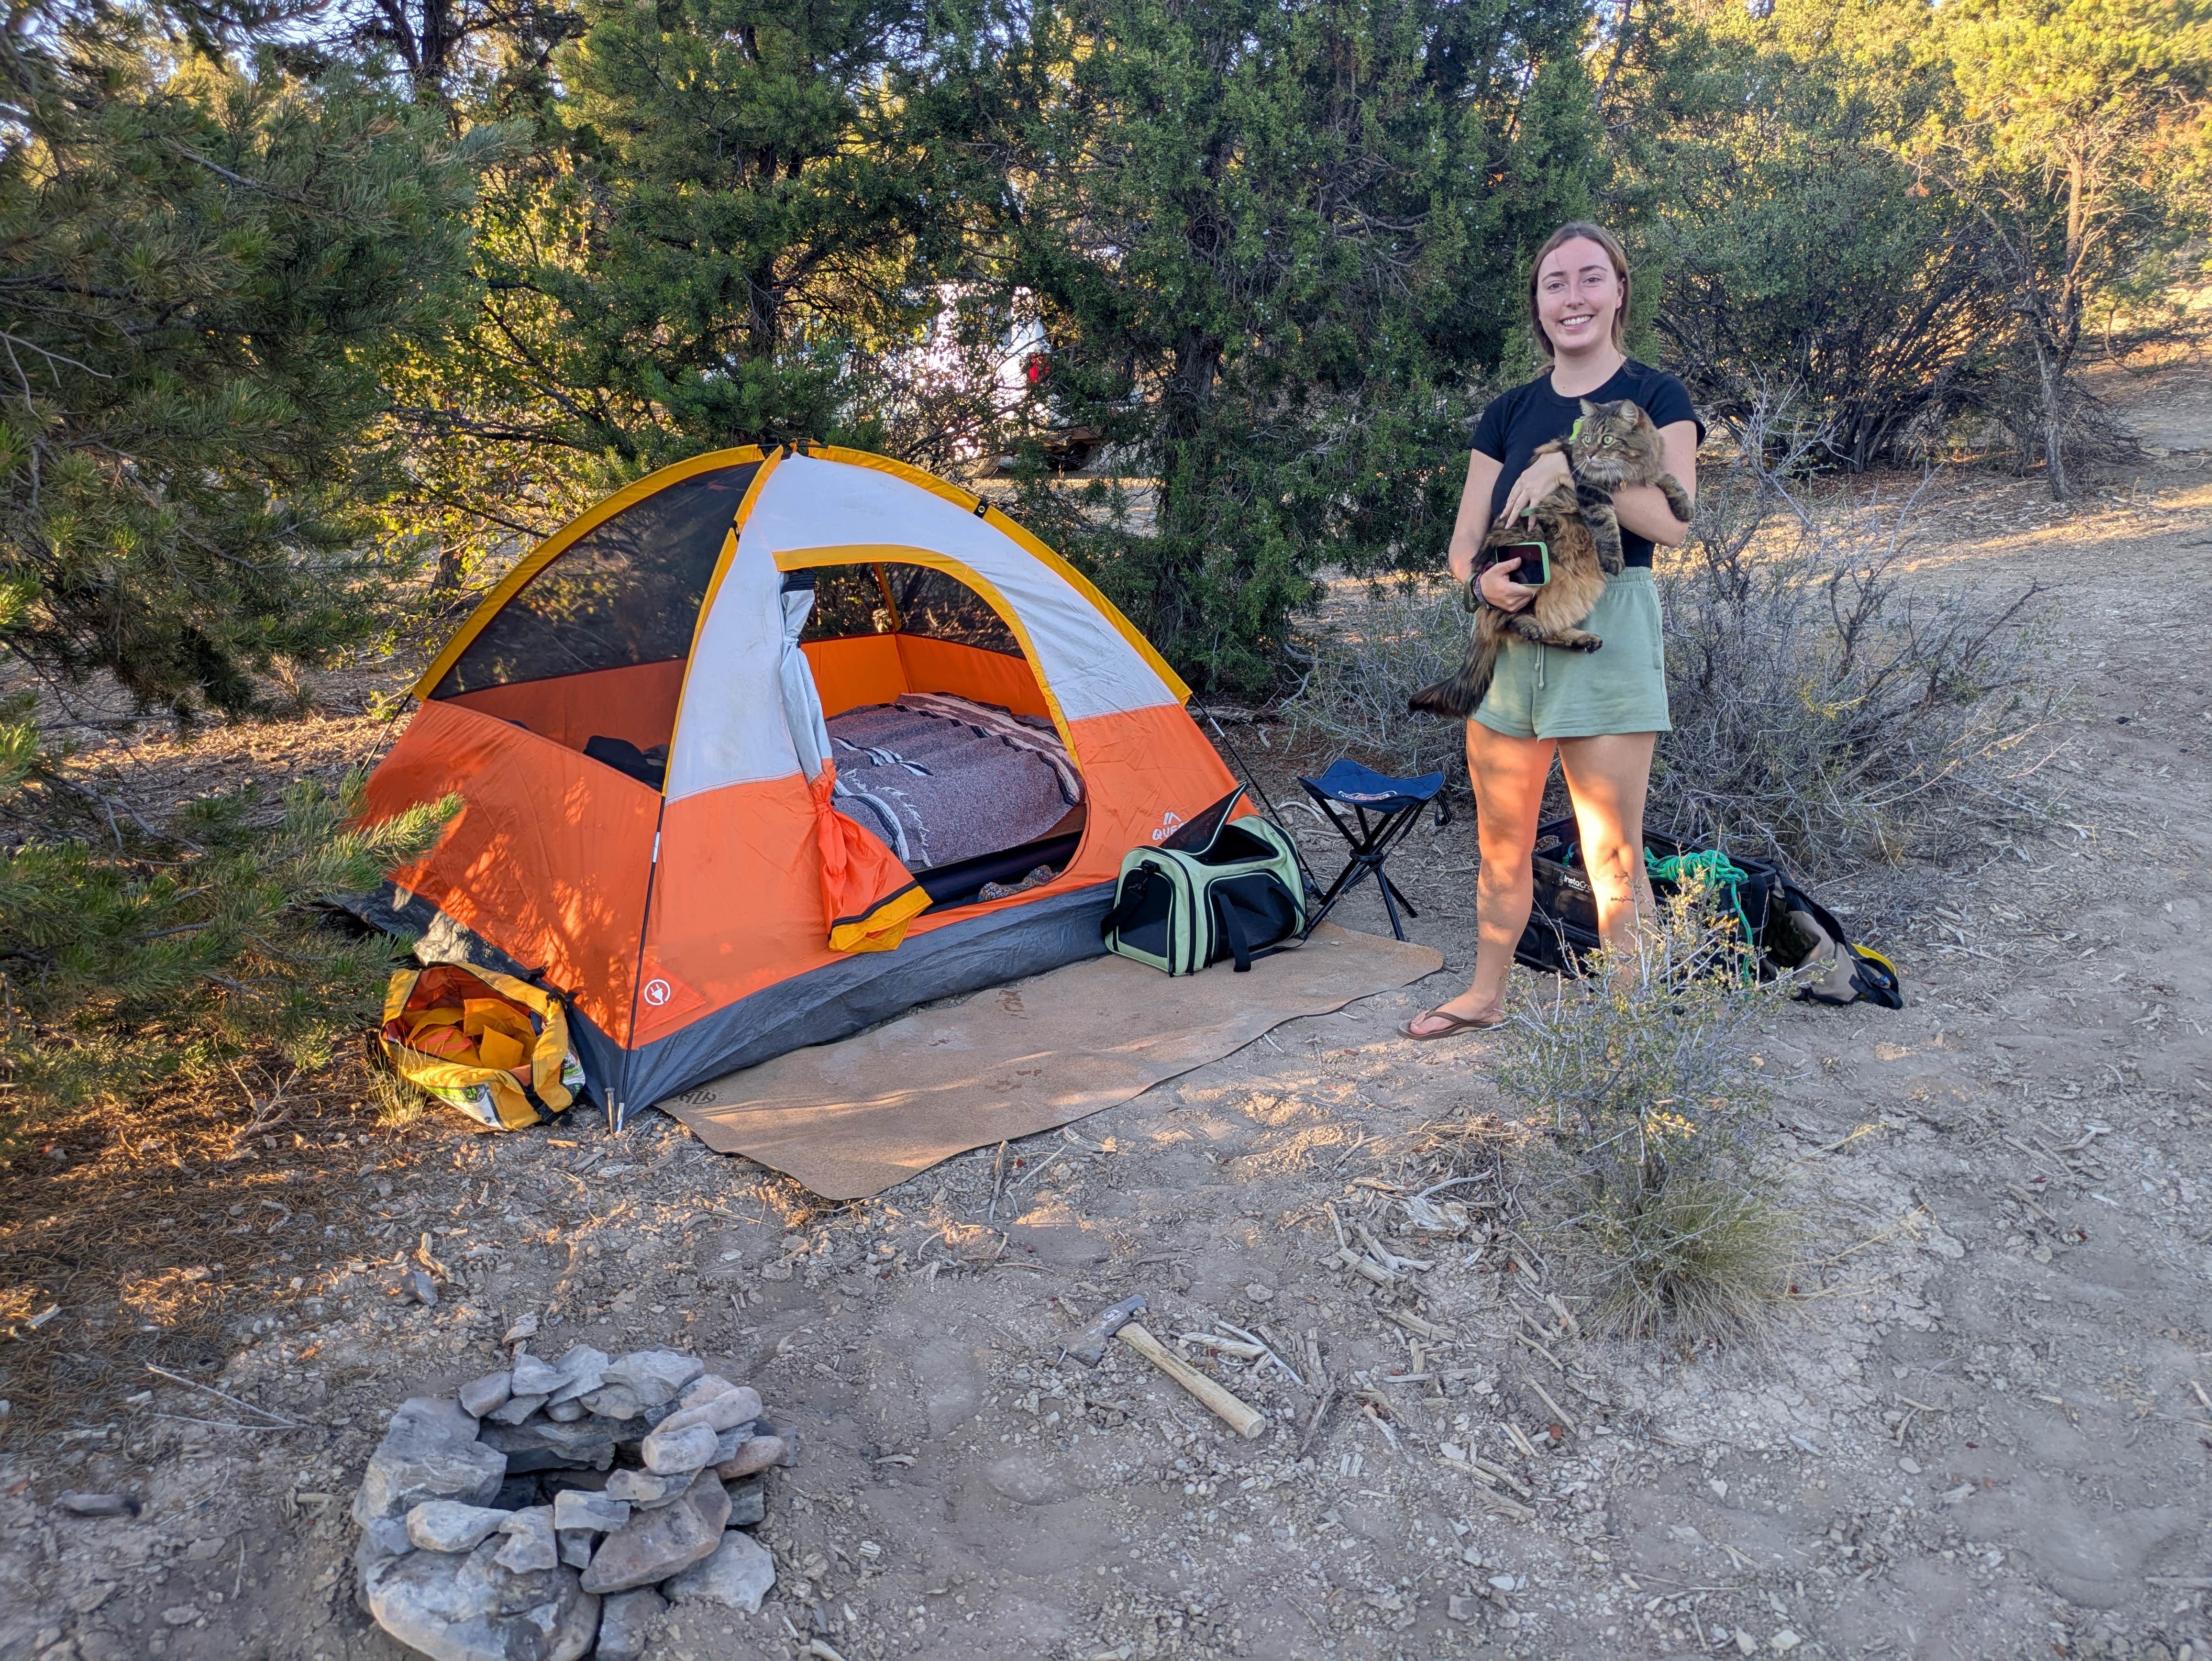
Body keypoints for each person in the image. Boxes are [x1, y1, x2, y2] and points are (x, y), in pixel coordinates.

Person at [1399, 221, 1702, 1039]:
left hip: (1609, 631)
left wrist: (1573, 459)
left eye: (1589, 279)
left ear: (1618, 291)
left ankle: (1630, 1035)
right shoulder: (1508, 411)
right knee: (1501, 846)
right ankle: (1485, 996)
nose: (1573, 297)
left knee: (1613, 858)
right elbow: (1464, 542)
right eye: (1555, 283)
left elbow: (1672, 524)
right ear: (1538, 305)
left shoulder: (1659, 396)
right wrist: (1478, 581)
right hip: (1510, 642)